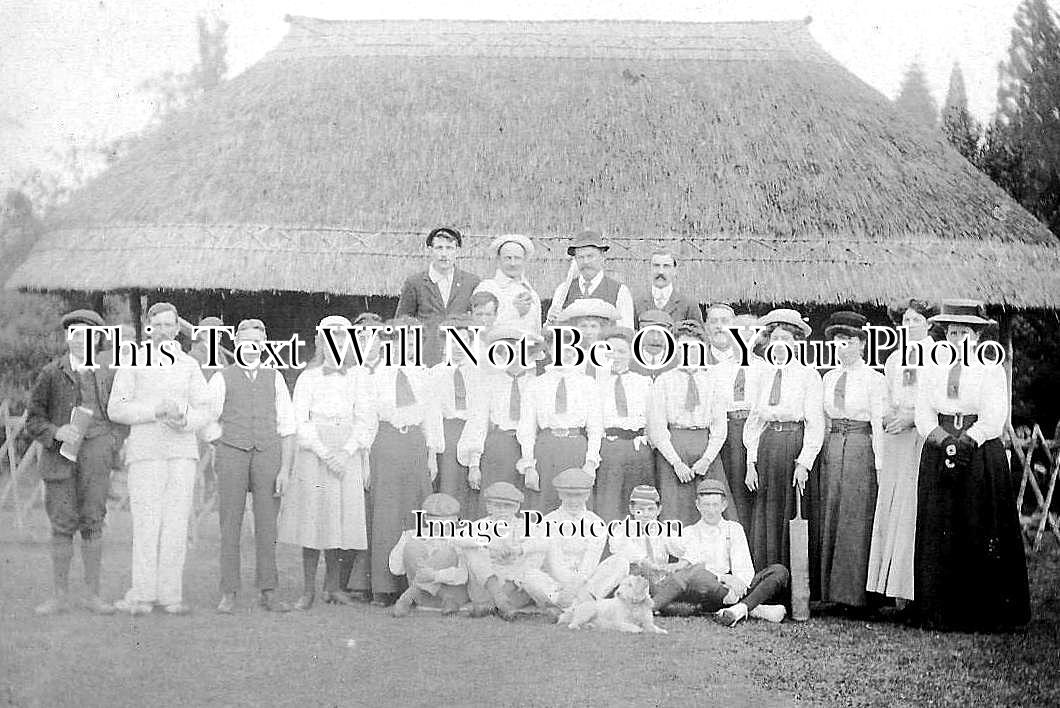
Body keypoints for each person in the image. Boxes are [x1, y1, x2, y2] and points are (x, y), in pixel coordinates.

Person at [912, 299, 1029, 631]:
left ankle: (981, 611)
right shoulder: (932, 369)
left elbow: (995, 417)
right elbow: (923, 412)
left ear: (977, 337)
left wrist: (965, 441)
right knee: (940, 525)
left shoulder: (990, 370)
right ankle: (939, 611)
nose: (957, 338)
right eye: (952, 331)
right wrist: (942, 439)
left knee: (977, 524)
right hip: (940, 449)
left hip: (978, 454)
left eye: (964, 332)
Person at [108, 302, 213, 615]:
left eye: (171, 325)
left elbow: (205, 409)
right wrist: (153, 412)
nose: (165, 331)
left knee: (176, 524)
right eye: (160, 324)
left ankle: (170, 595)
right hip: (146, 453)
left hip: (181, 453)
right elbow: (117, 408)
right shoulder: (133, 361)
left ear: (177, 328)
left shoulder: (188, 365)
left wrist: (186, 421)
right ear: (149, 326)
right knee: (147, 523)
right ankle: (142, 595)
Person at [26, 309, 124, 615]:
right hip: (60, 460)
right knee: (62, 523)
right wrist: (57, 432)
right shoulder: (51, 373)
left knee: (93, 520)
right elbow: (33, 420)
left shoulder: (108, 373)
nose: (80, 340)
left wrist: (111, 444)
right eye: (74, 335)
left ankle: (92, 595)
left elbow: (120, 415)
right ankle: (59, 596)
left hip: (96, 458)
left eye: (86, 335)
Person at [278, 315, 374, 610]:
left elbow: (366, 418)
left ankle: (333, 587)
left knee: (338, 520)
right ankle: (308, 590)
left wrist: (345, 452)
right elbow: (300, 419)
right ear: (320, 341)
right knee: (313, 520)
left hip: (346, 451)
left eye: (342, 337)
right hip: (315, 452)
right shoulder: (308, 377)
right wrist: (324, 452)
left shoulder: (358, 376)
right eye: (330, 337)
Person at [207, 318, 296, 614]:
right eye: (246, 342)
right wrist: (223, 443)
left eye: (257, 343)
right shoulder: (222, 377)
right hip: (232, 453)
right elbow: (208, 419)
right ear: (236, 343)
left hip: (268, 455)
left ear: (264, 344)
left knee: (267, 526)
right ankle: (229, 591)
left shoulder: (275, 378)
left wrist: (284, 470)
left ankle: (268, 591)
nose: (252, 348)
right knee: (230, 524)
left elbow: (287, 426)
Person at [367, 316, 443, 605]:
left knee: (415, 511)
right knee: (386, 512)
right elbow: (369, 417)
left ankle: (414, 582)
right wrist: (366, 459)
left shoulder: (423, 375)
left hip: (415, 444)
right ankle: (383, 586)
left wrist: (432, 455)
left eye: (413, 341)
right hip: (385, 443)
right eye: (403, 340)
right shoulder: (377, 374)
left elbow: (431, 417)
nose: (408, 346)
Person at [743, 308, 824, 572]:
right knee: (767, 510)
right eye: (775, 339)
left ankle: (794, 581)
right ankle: (767, 577)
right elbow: (755, 421)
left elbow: (815, 422)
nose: (780, 346)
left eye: (786, 340)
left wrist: (804, 463)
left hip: (793, 444)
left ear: (797, 344)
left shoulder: (808, 375)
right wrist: (751, 462)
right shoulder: (762, 374)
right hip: (768, 445)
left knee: (793, 510)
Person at [866, 299, 936, 603]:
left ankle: (916, 590)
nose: (909, 327)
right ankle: (895, 592)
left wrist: (913, 418)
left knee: (915, 508)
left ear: (930, 324)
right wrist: (886, 416)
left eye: (916, 320)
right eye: (905, 322)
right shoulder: (895, 359)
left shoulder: (938, 355)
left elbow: (939, 400)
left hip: (922, 436)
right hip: (896, 438)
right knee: (894, 508)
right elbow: (887, 396)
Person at [817, 311, 887, 611]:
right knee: (832, 512)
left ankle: (857, 595)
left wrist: (881, 465)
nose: (841, 348)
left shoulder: (875, 379)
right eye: (837, 343)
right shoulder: (829, 377)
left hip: (861, 447)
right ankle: (833, 593)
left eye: (846, 342)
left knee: (856, 517)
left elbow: (878, 424)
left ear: (861, 343)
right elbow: (822, 418)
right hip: (833, 446)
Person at [651, 479, 789, 627]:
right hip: (709, 590)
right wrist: (723, 578)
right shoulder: (689, 532)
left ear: (724, 505)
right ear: (698, 505)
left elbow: (744, 567)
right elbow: (693, 571)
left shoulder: (734, 528)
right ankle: (753, 608)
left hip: (735, 589)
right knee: (697, 573)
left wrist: (738, 584)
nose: (711, 510)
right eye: (706, 505)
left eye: (715, 505)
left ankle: (737, 610)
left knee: (779, 571)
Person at [647, 319, 732, 526]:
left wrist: (706, 459)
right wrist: (676, 462)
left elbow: (719, 427)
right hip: (674, 449)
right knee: (675, 508)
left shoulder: (713, 380)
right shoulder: (664, 381)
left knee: (710, 505)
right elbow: (658, 428)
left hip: (705, 449)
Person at [458, 327, 540, 515]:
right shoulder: (490, 382)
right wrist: (474, 465)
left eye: (520, 352)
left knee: (523, 504)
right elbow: (478, 422)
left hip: (528, 450)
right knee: (494, 501)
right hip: (498, 447)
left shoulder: (536, 383)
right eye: (508, 352)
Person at [517, 337, 603, 512]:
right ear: (550, 349)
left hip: (576, 448)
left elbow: (595, 427)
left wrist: (591, 463)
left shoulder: (587, 383)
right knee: (544, 505)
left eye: (570, 349)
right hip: (546, 449)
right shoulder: (536, 384)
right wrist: (529, 466)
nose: (565, 354)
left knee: (576, 503)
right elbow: (527, 428)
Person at [457, 482, 555, 619]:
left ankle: (495, 604)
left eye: (507, 506)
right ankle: (499, 599)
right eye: (497, 505)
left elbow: (545, 542)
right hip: (487, 588)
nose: (502, 510)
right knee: (473, 550)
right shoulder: (481, 525)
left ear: (516, 508)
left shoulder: (522, 525)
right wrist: (488, 546)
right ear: (489, 507)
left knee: (537, 552)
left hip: (514, 591)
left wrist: (519, 550)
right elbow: (456, 538)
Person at [703, 305, 761, 527]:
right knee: (732, 492)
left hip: (755, 433)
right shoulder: (717, 371)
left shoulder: (764, 369)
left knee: (754, 492)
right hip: (727, 434)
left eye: (750, 333)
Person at [539, 469, 629, 607]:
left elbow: (590, 562)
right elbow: (553, 563)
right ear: (560, 494)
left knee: (621, 562)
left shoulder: (596, 523)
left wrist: (577, 587)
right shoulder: (548, 521)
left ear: (587, 495)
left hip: (586, 584)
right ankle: (574, 604)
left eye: (579, 495)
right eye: (569, 495)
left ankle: (575, 604)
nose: (574, 501)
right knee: (532, 576)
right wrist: (568, 587)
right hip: (557, 583)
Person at [395, 227, 481, 365]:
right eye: (439, 248)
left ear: (457, 251)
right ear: (430, 250)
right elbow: (402, 323)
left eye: (449, 248)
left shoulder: (471, 282)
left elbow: (478, 322)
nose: (444, 254)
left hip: (460, 359)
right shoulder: (414, 283)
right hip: (426, 359)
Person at [594, 328, 654, 522]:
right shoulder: (595, 384)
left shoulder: (643, 382)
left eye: (622, 351)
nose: (616, 357)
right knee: (610, 504)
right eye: (610, 351)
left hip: (638, 449)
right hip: (610, 448)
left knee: (640, 503)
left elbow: (652, 419)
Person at [389, 493, 470, 617]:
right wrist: (407, 544)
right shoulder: (412, 535)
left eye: (448, 524)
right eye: (437, 525)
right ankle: (443, 595)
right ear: (426, 519)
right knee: (412, 547)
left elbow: (463, 576)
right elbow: (395, 569)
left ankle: (406, 598)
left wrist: (435, 574)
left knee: (447, 553)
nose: (443, 529)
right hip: (424, 598)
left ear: (456, 520)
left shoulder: (462, 538)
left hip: (454, 595)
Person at [432, 315, 481, 511]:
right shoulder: (435, 373)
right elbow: (432, 415)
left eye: (464, 341)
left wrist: (475, 460)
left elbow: (480, 416)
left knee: (470, 493)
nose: (459, 348)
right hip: (445, 437)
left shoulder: (479, 374)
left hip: (473, 435)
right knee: (447, 491)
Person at [545, 230, 634, 330]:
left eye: (590, 256)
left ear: (602, 257)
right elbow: (551, 333)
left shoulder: (619, 291)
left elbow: (626, 333)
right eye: (581, 257)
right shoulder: (563, 290)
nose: (586, 262)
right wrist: (552, 322)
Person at [608, 485, 685, 595]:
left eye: (650, 509)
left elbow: (684, 550)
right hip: (632, 584)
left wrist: (678, 565)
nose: (645, 514)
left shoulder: (664, 531)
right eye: (640, 510)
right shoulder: (622, 529)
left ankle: (659, 602)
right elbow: (619, 546)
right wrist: (645, 562)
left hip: (658, 583)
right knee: (625, 564)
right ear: (632, 509)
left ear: (659, 510)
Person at [472, 235, 541, 333]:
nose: (513, 263)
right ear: (498, 260)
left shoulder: (532, 294)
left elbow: (536, 331)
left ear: (524, 260)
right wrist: (515, 312)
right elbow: (480, 329)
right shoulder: (487, 288)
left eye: (517, 258)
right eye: (508, 258)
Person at [634, 250, 702, 326]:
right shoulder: (637, 304)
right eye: (656, 266)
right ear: (649, 269)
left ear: (675, 270)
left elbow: (698, 335)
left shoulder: (689, 304)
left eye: (666, 266)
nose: (660, 271)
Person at [629, 309, 677, 379]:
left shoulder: (676, 364)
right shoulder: (628, 363)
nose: (655, 338)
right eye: (650, 332)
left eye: (661, 332)